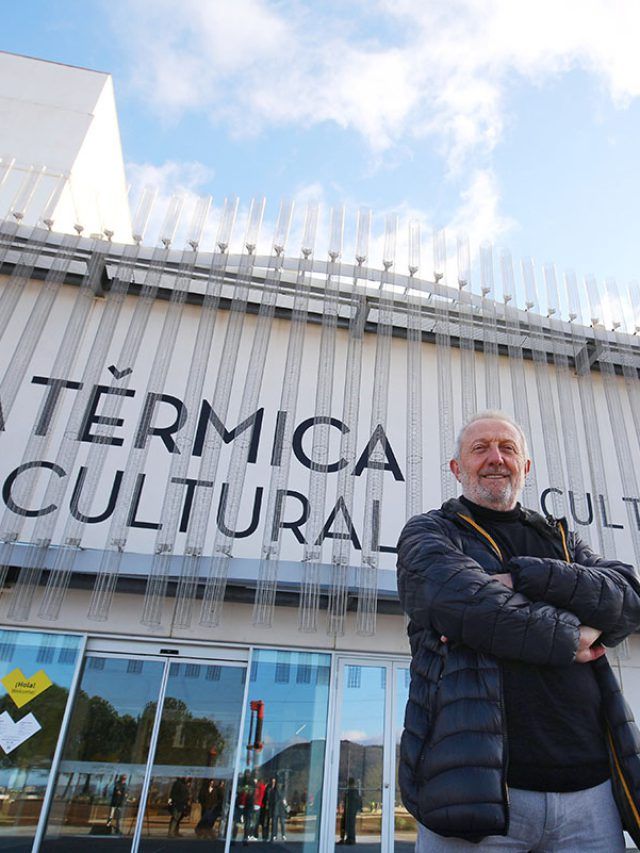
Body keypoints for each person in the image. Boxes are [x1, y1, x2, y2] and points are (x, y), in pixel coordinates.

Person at [396, 410, 640, 852]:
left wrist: (525, 576)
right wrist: (573, 636)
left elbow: (627, 596)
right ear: (456, 468)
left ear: (525, 467)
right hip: (473, 793)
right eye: (480, 448)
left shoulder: (562, 540)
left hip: (591, 796)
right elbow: (461, 602)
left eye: (507, 448)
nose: (496, 458)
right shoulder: (430, 532)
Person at [338, 777, 362, 845]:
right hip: (348, 810)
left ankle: (350, 839)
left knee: (350, 825)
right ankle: (347, 838)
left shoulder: (353, 791)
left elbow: (355, 801)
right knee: (346, 824)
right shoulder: (350, 791)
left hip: (350, 811)